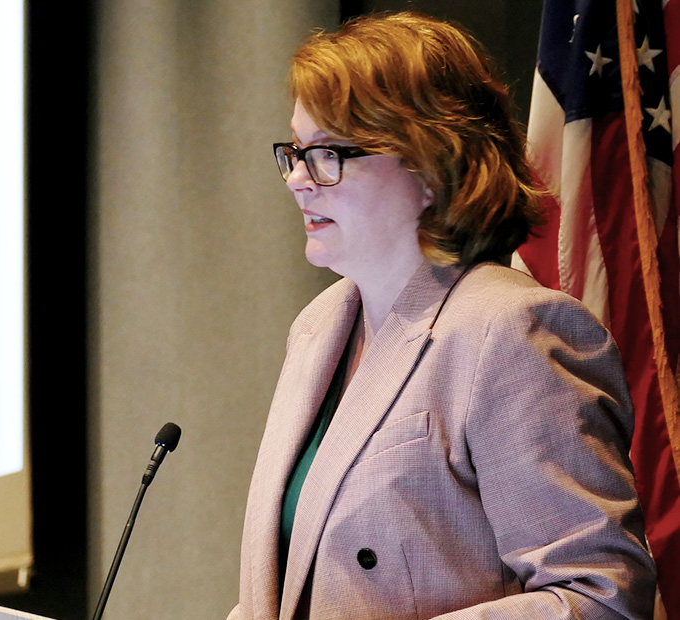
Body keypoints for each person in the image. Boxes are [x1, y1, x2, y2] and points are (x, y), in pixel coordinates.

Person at [227, 11, 657, 620]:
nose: (298, 179)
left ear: (432, 165)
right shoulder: (317, 328)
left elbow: (602, 597)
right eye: (296, 151)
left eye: (327, 153)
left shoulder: (513, 331)